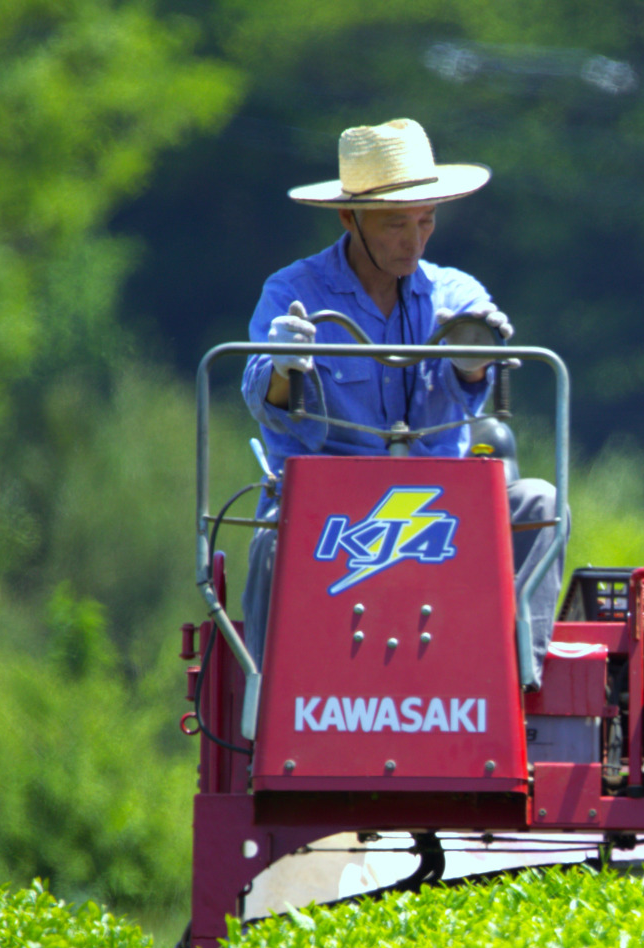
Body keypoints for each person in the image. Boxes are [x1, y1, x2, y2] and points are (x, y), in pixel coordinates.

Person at [239, 118, 563, 686]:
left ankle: (515, 688)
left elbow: (476, 377)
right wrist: (284, 367)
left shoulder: (455, 293)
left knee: (540, 502)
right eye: (396, 224)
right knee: (270, 541)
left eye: (425, 220)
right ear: (349, 218)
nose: (414, 240)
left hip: (441, 510)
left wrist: (474, 354)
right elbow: (267, 398)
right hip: (329, 512)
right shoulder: (291, 294)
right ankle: (269, 705)